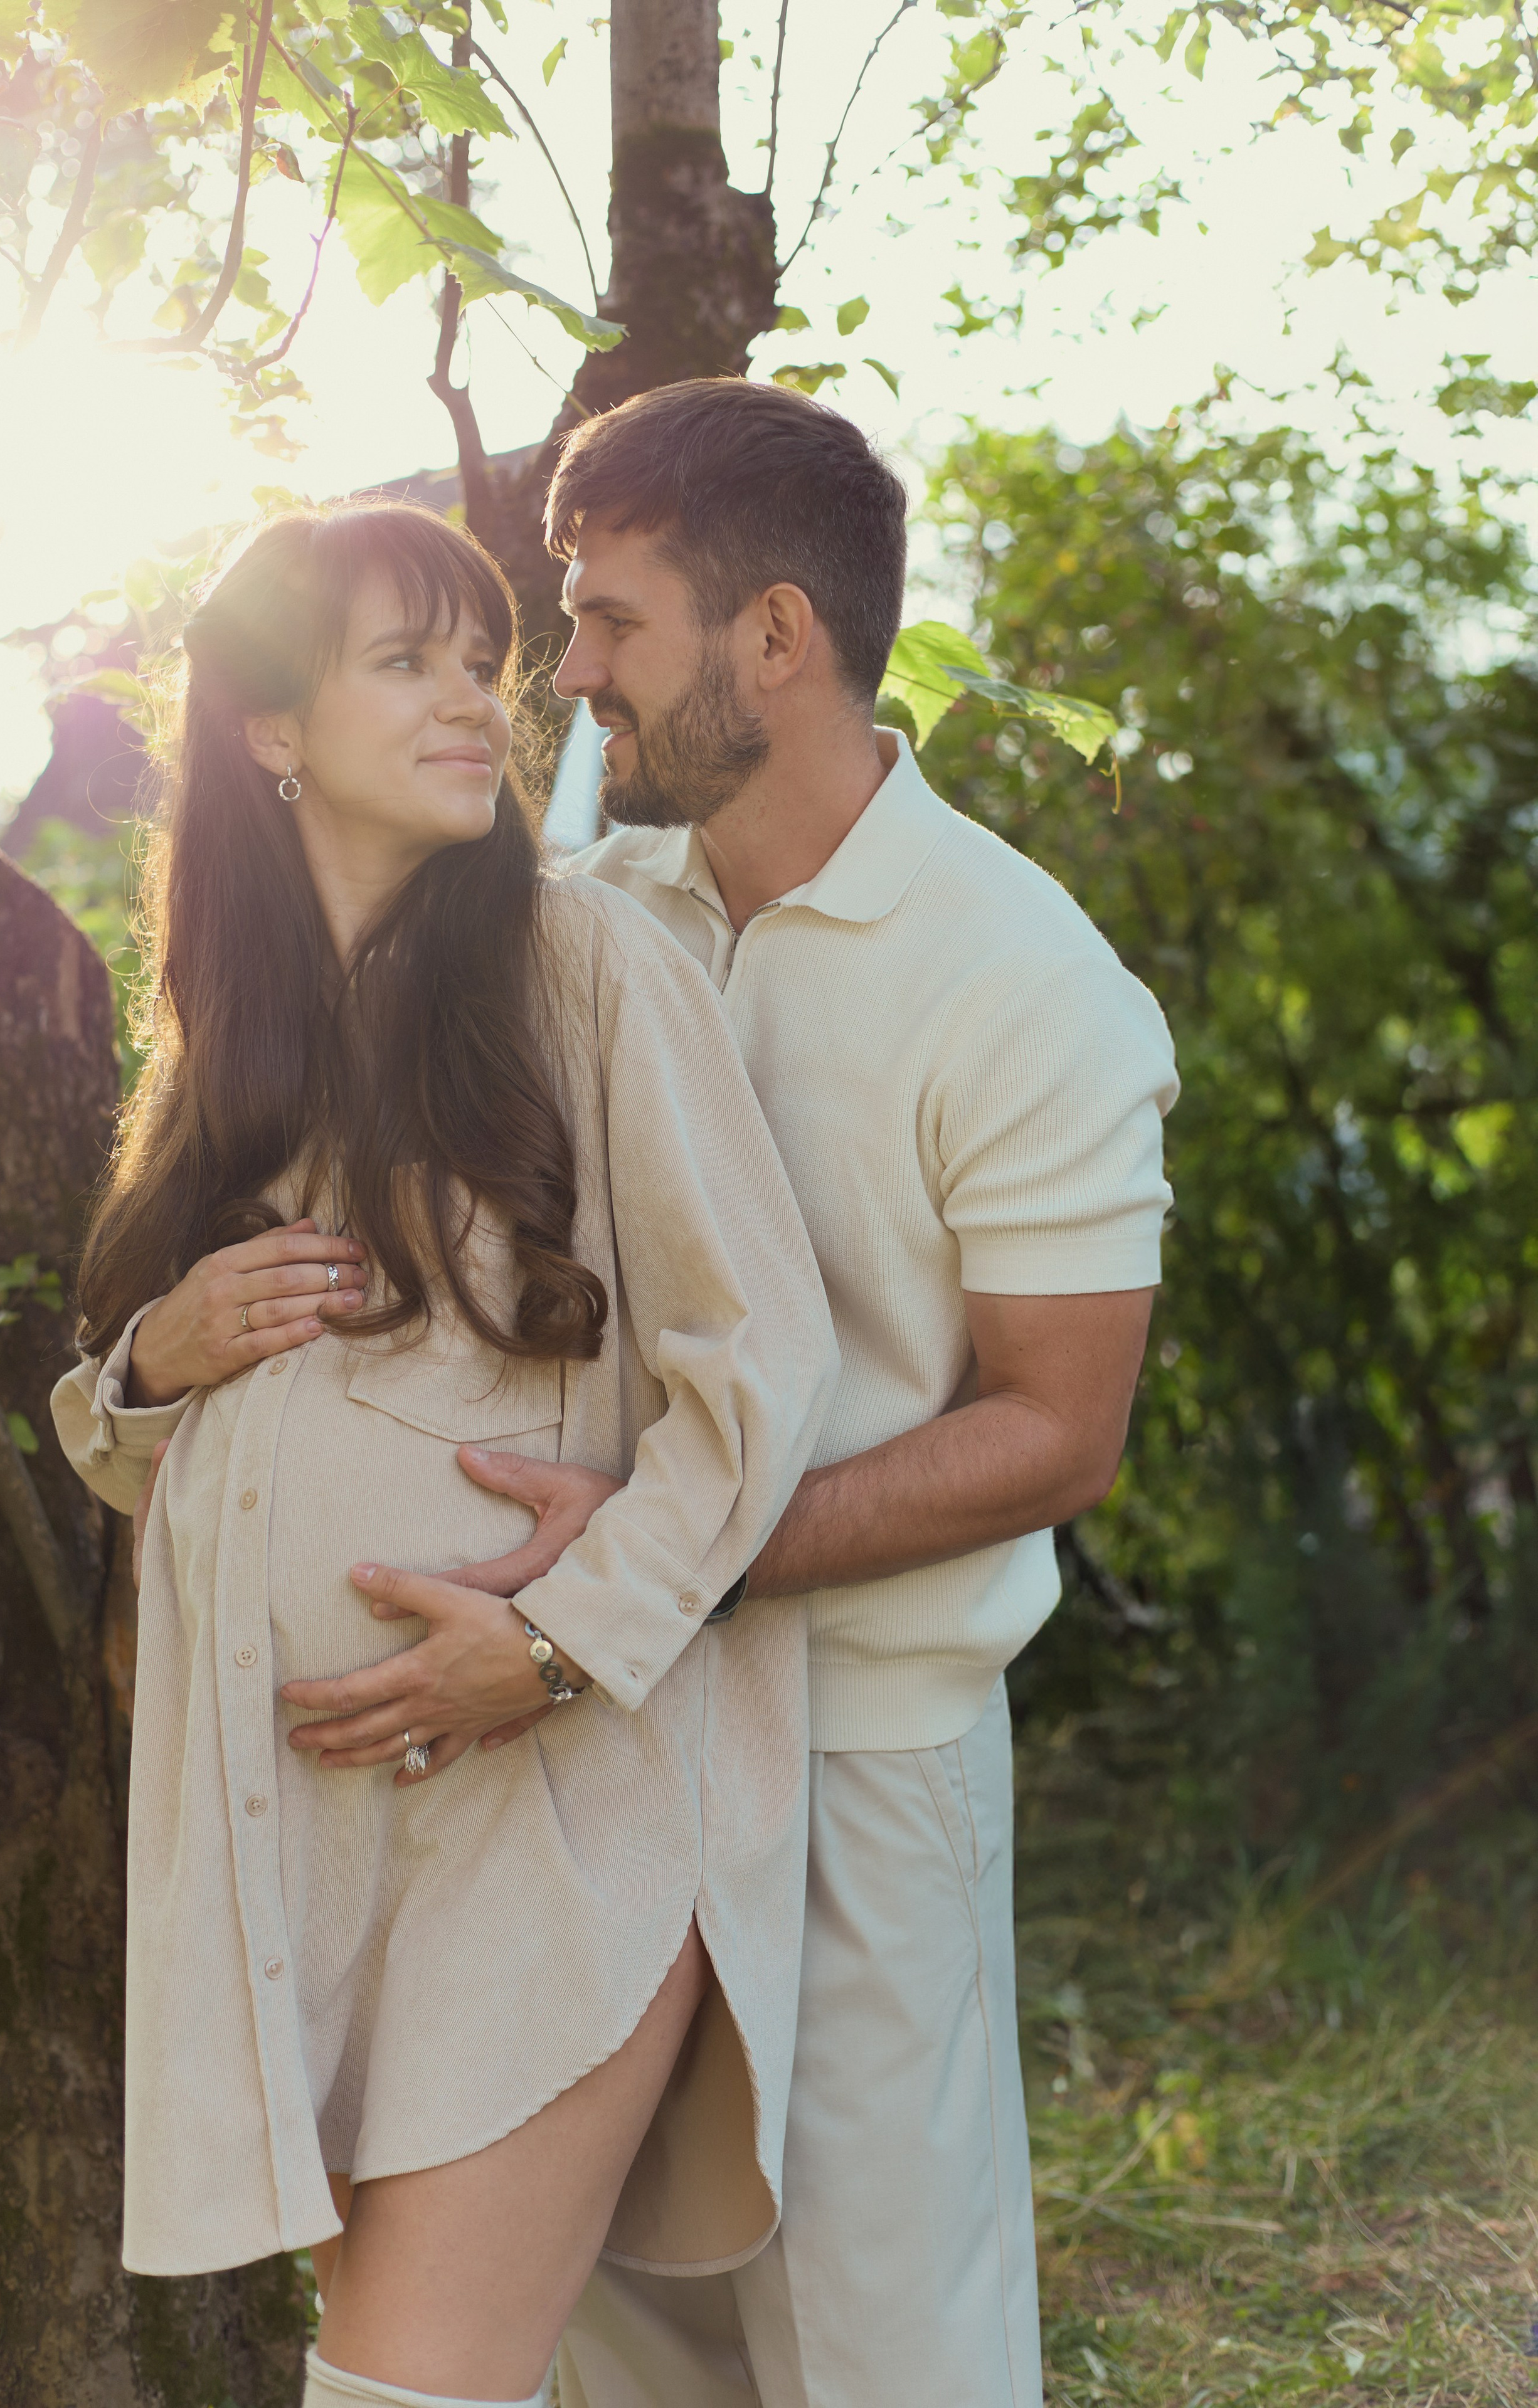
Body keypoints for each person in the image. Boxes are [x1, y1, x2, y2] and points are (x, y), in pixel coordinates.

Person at [287, 381, 1180, 2408]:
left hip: (860, 1750)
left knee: (889, 2352)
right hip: (584, 1753)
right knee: (612, 2333)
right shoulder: (601, 911)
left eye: (610, 622)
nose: (570, 669)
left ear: (776, 638)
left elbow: (1060, 1429)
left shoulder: (1023, 984)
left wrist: (646, 1577)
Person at [51, 500, 840, 2408]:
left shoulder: (585, 969)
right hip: (309, 1845)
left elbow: (763, 1370)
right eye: (407, 663)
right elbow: (148, 1449)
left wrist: (561, 1637)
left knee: (402, 2392)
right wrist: (150, 1359)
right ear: (267, 728)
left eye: (483, 667)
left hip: (549, 1814)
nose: (477, 707)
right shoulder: (229, 1048)